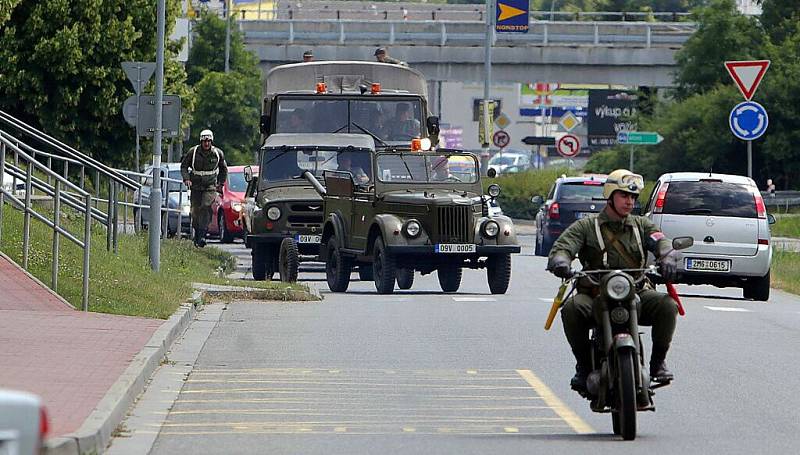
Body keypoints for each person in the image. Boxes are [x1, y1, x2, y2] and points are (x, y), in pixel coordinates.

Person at [546, 169, 682, 394]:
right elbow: (563, 247)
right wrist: (561, 261)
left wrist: (668, 257)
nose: (629, 202)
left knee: (667, 305)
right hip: (595, 293)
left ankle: (658, 363)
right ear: (610, 196)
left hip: (637, 290)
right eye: (624, 196)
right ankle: (583, 366)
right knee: (571, 308)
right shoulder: (587, 226)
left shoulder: (641, 225)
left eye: (633, 197)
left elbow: (661, 241)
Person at [181, 129, 228, 247]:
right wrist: (186, 178)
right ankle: (197, 234)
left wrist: (220, 184)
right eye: (204, 141)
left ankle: (203, 234)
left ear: (211, 141)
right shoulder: (193, 152)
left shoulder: (217, 153)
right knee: (195, 210)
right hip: (195, 186)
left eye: (208, 141)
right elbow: (184, 166)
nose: (206, 144)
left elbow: (224, 169)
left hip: (210, 186)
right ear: (201, 142)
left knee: (206, 207)